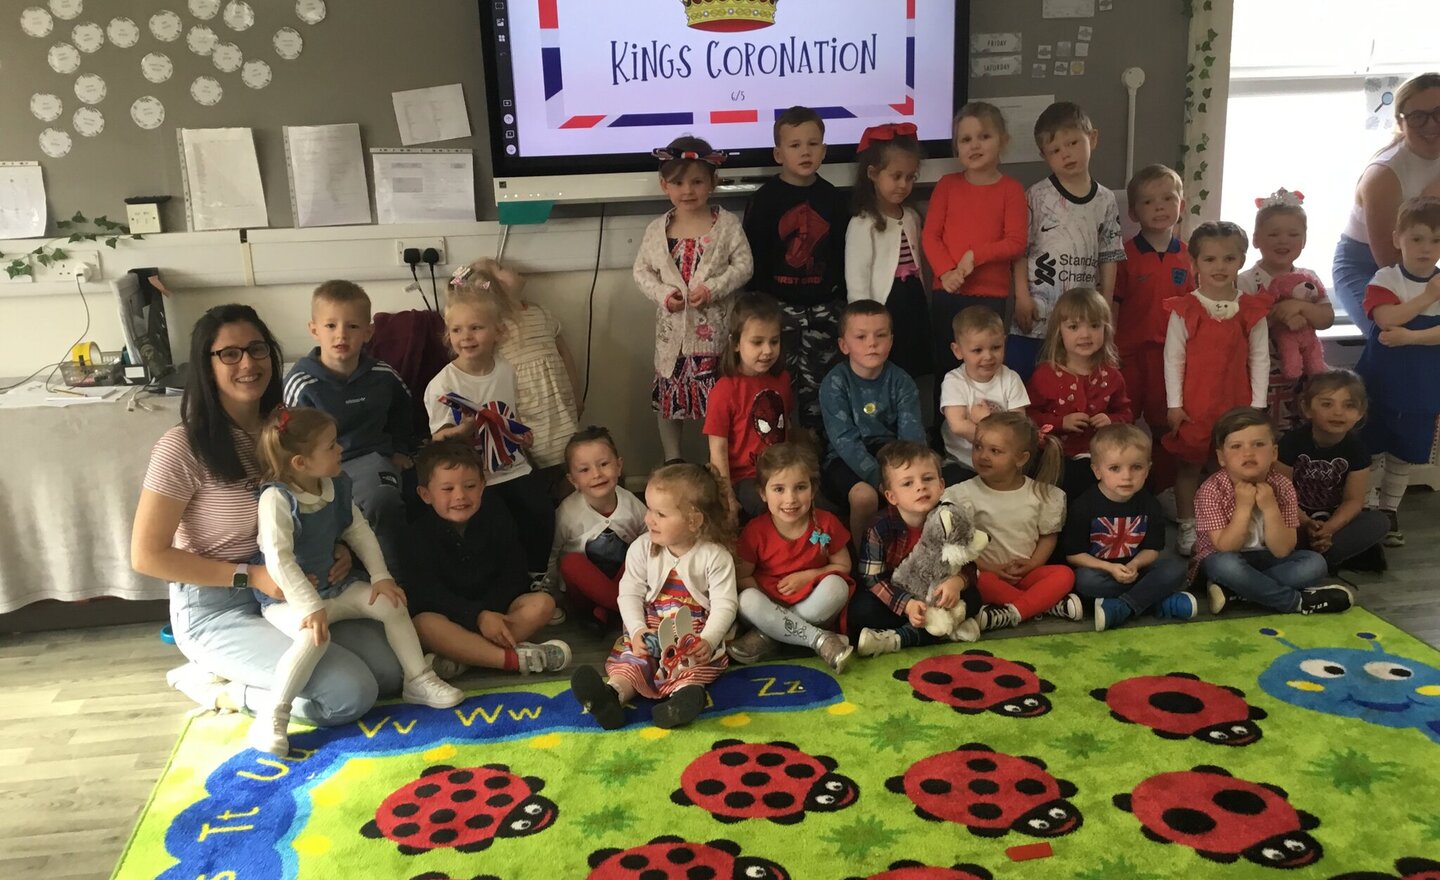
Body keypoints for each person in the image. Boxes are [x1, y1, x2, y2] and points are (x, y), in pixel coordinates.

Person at [132, 304, 402, 727]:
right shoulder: (182, 447)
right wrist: (251, 576)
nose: (248, 363)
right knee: (349, 695)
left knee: (391, 672)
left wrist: (337, 548)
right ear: (206, 366)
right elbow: (147, 556)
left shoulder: (286, 432)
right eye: (229, 354)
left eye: (257, 349)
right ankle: (222, 689)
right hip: (219, 607)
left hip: (299, 591)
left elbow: (321, 505)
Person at [246, 406, 462, 754]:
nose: (341, 450)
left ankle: (418, 679)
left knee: (391, 604)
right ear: (301, 463)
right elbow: (279, 558)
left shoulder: (336, 484)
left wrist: (380, 577)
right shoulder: (276, 499)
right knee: (311, 638)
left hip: (337, 586)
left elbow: (358, 531)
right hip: (290, 599)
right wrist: (308, 605)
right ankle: (275, 714)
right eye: (331, 446)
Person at [569, 463, 739, 731]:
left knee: (688, 668)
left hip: (690, 634)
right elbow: (628, 593)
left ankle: (681, 701)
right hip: (651, 627)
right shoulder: (642, 548)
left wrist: (708, 639)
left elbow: (725, 604)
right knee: (634, 662)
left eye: (660, 514)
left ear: (694, 520)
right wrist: (637, 631)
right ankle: (611, 696)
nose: (648, 519)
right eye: (648, 508)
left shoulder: (715, 556)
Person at [425, 278, 558, 605]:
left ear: (498, 331)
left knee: (541, 510)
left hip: (512, 465)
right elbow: (437, 441)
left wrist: (520, 433)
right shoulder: (443, 384)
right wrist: (462, 432)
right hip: (475, 475)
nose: (465, 337)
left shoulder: (504, 370)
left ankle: (537, 577)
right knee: (500, 526)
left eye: (475, 328)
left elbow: (508, 416)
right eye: (456, 330)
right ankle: (507, 591)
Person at [402, 439, 571, 677]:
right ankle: (512, 660)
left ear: (483, 486)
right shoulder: (418, 533)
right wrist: (478, 616)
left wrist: (491, 615)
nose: (460, 496)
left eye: (469, 486)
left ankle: (468, 656)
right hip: (453, 617)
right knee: (424, 625)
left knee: (543, 604)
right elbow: (427, 594)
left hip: (498, 614)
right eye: (448, 489)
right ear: (426, 494)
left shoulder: (497, 516)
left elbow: (515, 574)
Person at [635, 136, 755, 463]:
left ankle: (719, 461)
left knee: (716, 399)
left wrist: (713, 289)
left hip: (713, 337)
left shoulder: (727, 225)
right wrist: (664, 294)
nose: (688, 190)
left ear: (713, 183)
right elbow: (642, 271)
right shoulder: (657, 230)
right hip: (672, 336)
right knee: (670, 395)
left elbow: (744, 265)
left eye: (697, 181)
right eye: (678, 182)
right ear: (665, 185)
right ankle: (672, 458)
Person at [283, 280, 416, 571]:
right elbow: (288, 439)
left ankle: (398, 581)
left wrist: (401, 449)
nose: (341, 334)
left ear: (368, 332)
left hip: (370, 458)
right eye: (330, 326)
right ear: (314, 329)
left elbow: (405, 412)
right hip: (319, 468)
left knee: (385, 501)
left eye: (353, 327)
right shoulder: (301, 383)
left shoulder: (383, 375)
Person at [1164, 221, 1272, 556]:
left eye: (1228, 258)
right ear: (1194, 264)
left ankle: (1232, 526)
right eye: (1209, 260)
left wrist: (1256, 406)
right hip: (1195, 406)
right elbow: (1173, 359)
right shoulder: (1185, 309)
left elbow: (1260, 358)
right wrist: (1174, 404)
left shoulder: (1251, 310)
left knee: (1234, 468)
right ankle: (1187, 525)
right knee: (1189, 467)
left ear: (1241, 260)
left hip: (1237, 406)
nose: (1220, 267)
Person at [744, 106, 849, 437]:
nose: (805, 151)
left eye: (813, 144)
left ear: (824, 150)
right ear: (778, 153)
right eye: (795, 145)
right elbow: (753, 259)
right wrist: (758, 311)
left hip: (825, 310)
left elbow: (843, 254)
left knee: (821, 390)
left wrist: (841, 304)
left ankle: (820, 457)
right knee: (777, 388)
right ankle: (778, 456)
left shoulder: (833, 199)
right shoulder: (765, 201)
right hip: (778, 310)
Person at [1194, 408, 1354, 616]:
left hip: (1269, 558)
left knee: (1315, 564)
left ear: (1274, 453)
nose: (1248, 453)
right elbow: (1225, 546)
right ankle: (1296, 602)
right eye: (1236, 446)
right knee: (1224, 565)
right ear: (1221, 457)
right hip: (1225, 559)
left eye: (1259, 444)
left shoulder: (1283, 486)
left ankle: (1238, 592)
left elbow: (1283, 550)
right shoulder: (1211, 490)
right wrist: (1243, 507)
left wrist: (1270, 507)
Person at [1011, 101, 1125, 382]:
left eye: (1073, 143)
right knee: (1026, 385)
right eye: (1055, 150)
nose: (1066, 154)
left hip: (1082, 319)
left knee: (1076, 389)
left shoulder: (1106, 200)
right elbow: (1019, 251)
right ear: (1044, 155)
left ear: (1093, 139)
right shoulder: (1036, 196)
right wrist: (1021, 297)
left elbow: (1109, 256)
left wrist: (1106, 305)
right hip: (1038, 313)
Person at [922, 102, 1029, 393]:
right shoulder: (946, 185)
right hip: (947, 292)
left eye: (984, 136)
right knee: (947, 369)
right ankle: (945, 434)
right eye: (966, 139)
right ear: (956, 148)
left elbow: (1016, 242)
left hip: (990, 296)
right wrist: (946, 273)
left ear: (1003, 141)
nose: (975, 145)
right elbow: (930, 236)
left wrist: (975, 257)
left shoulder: (1012, 190)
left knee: (986, 372)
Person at [1354, 195, 1440, 547]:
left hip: (1423, 384)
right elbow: (1385, 319)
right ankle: (1366, 506)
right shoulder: (1386, 278)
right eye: (1417, 238)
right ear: (1397, 239)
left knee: (1404, 453)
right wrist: (1426, 298)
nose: (1426, 248)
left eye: (1436, 240)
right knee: (1371, 446)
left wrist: (1410, 337)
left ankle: (1389, 511)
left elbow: (1400, 332)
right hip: (1380, 381)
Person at [944, 412, 1079, 631]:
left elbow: (1048, 536)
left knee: (1064, 574)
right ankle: (1042, 605)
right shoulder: (963, 494)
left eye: (995, 451)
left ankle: (1014, 611)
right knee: (979, 583)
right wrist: (989, 568)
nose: (983, 456)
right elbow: (960, 544)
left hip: (1027, 574)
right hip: (986, 573)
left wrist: (1034, 563)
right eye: (978, 447)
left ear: (1021, 458)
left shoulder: (1041, 494)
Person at [730, 443, 855, 671]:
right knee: (746, 599)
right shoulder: (755, 531)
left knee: (838, 587)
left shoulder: (826, 523)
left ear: (813, 489)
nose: (791, 499)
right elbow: (743, 577)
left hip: (811, 602)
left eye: (800, 487)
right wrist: (771, 604)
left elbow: (843, 565)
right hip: (768, 604)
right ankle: (819, 639)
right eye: (779, 489)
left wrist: (810, 575)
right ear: (762, 493)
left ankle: (769, 637)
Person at [1333, 72, 1440, 336]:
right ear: (1401, 122)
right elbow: (1389, 261)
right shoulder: (1385, 175)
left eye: (1439, 112)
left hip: (1424, 256)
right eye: (1418, 116)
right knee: (1392, 333)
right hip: (1369, 262)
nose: (1432, 124)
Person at [460, 257, 582, 485]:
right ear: (497, 287)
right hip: (527, 407)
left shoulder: (540, 312)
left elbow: (564, 352)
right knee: (542, 467)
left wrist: (576, 393)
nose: (511, 267)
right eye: (501, 268)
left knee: (573, 458)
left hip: (559, 404)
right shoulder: (495, 326)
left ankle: (578, 504)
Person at [1063, 424, 1192, 632]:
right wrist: (1110, 568)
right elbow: (1074, 555)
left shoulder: (1150, 504)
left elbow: (1152, 549)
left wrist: (1135, 565)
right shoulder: (1083, 506)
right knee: (1084, 581)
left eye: (1136, 467)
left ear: (1148, 469)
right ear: (1097, 470)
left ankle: (1123, 606)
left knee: (1176, 568)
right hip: (1101, 571)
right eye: (1115, 468)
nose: (1127, 476)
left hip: (1137, 569)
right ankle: (1157, 599)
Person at [819, 300, 926, 546]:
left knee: (923, 486)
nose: (872, 343)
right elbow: (845, 441)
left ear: (891, 340)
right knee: (864, 496)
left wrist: (906, 477)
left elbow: (912, 437)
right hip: (843, 460)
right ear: (844, 345)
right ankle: (864, 562)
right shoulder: (835, 383)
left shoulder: (902, 381)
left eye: (880, 335)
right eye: (861, 337)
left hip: (893, 456)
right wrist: (881, 479)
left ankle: (911, 549)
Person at [849, 441, 966, 657]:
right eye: (907, 483)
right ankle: (941, 629)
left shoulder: (949, 517)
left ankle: (899, 638)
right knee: (860, 612)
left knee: (973, 595)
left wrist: (957, 583)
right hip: (898, 597)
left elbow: (967, 559)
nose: (920, 487)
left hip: (937, 595)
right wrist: (907, 605)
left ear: (941, 485)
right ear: (891, 496)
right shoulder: (879, 527)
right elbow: (872, 579)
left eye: (927, 479)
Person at [1238, 189, 1334, 432]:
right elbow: (1239, 328)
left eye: (1293, 234)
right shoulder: (1245, 281)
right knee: (1259, 432)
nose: (1284, 241)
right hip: (1258, 376)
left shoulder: (1309, 279)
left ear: (1304, 240)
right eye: (1273, 234)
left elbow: (1326, 318)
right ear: (1257, 239)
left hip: (1301, 378)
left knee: (1297, 433)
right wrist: (1277, 314)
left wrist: (1300, 306)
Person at [1276, 370, 1389, 571]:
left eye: (1349, 406)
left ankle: (1318, 558)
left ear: (1360, 412)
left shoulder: (1358, 450)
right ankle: (1319, 558)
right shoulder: (1291, 442)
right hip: (1293, 519)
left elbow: (1353, 501)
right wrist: (1306, 523)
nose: (1338, 413)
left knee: (1379, 522)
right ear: (1307, 408)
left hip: (1333, 524)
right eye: (1327, 404)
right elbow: (1280, 493)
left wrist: (1329, 529)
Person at [1027, 287, 1133, 498]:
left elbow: (1126, 413)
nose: (1085, 334)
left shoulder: (1111, 376)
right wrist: (1060, 422)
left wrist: (1111, 420)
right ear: (1059, 332)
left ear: (1106, 329)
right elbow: (1028, 418)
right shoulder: (1045, 374)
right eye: (1074, 327)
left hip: (1100, 458)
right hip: (1055, 458)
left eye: (1094, 326)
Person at [846, 122, 931, 379]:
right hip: (884, 308)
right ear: (872, 173)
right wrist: (862, 323)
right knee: (885, 370)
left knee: (912, 369)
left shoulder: (913, 216)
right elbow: (857, 279)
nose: (904, 184)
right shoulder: (863, 223)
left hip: (912, 303)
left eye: (910, 177)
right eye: (896, 176)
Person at [1114, 165, 1190, 447]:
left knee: (1166, 423)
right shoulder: (1123, 256)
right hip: (1128, 355)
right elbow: (1112, 306)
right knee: (1122, 421)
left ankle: (1163, 485)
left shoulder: (1190, 256)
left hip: (1170, 357)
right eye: (1148, 202)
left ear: (1181, 205)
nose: (1159, 207)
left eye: (1168, 199)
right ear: (1134, 213)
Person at [704, 292, 795, 521]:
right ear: (736, 343)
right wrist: (727, 497)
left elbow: (787, 429)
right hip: (745, 478)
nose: (767, 350)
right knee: (772, 506)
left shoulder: (782, 379)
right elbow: (718, 450)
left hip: (781, 471)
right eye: (757, 342)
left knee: (811, 502)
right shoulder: (725, 390)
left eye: (774, 341)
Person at [551, 426, 647, 625]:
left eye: (604, 464)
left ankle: (608, 611)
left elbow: (651, 539)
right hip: (585, 594)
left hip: (625, 584)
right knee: (570, 562)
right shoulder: (567, 512)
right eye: (584, 470)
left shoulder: (631, 503)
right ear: (573, 480)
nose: (597, 474)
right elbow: (552, 555)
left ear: (619, 466)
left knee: (643, 547)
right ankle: (626, 612)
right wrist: (553, 596)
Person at [938, 306, 1029, 485]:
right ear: (958, 351)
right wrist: (991, 432)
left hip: (1004, 462)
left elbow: (1019, 425)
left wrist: (983, 423)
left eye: (996, 347)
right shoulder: (954, 380)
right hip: (962, 461)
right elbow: (957, 426)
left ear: (1004, 343)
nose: (988, 356)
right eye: (977, 350)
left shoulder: (1011, 378)